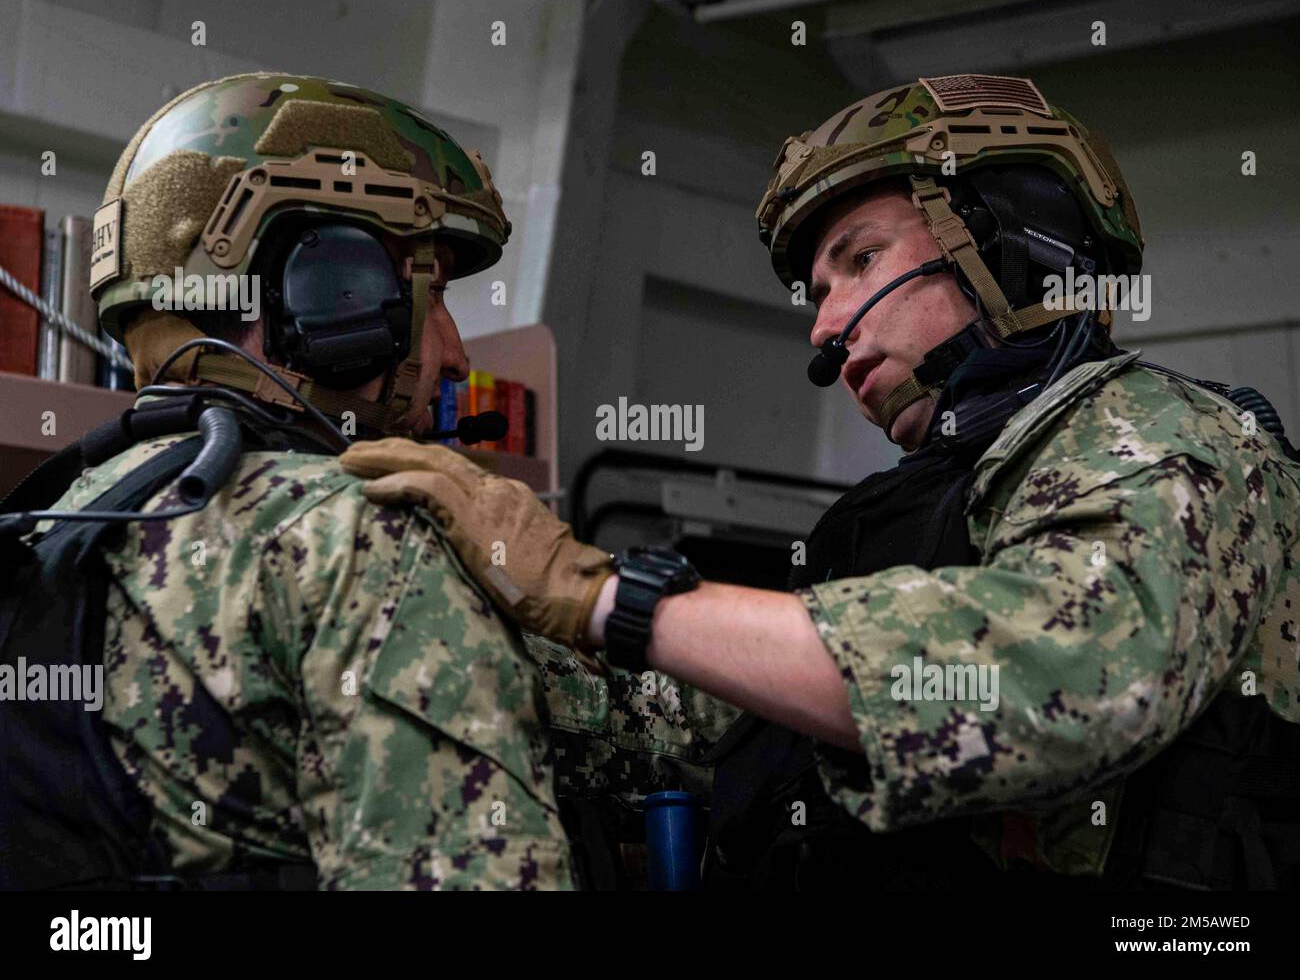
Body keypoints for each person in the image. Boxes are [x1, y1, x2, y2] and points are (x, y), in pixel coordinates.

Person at [342, 74, 1300, 890]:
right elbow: (707, 722)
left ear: (1007, 234)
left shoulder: (1170, 436)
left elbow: (1069, 675)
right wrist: (467, 620)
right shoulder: (898, 512)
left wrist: (603, 597)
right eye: (817, 289)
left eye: (860, 261)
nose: (823, 324)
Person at [0, 72, 580, 891]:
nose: (457, 356)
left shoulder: (50, 521)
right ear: (330, 290)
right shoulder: (360, 539)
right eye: (437, 293)